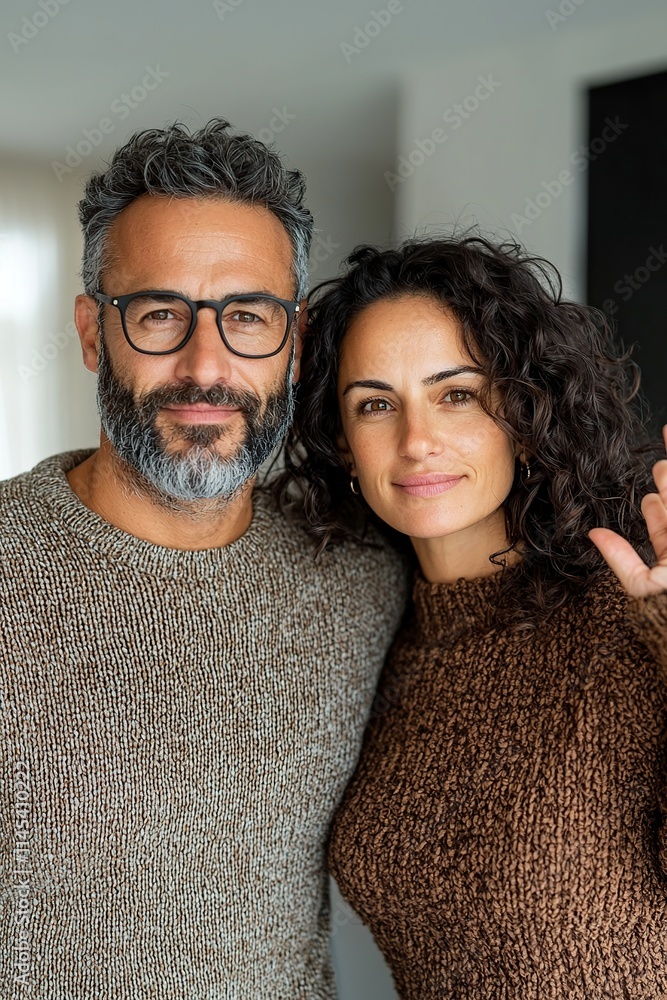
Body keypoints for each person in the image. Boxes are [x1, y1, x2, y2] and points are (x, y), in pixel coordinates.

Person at [0, 121, 408, 999]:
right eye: (159, 315)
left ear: (294, 340)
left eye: (247, 317)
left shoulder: (362, 578)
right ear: (89, 333)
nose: (205, 365)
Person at [280, 236, 667, 997]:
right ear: (340, 440)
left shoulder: (629, 614)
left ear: (522, 416)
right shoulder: (369, 641)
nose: (416, 441)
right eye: (374, 404)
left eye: (455, 394)